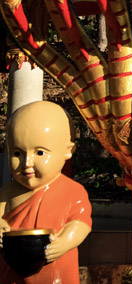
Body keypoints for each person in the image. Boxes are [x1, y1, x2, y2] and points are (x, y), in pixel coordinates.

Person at [0, 101, 92, 284]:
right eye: (17, 154)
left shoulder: (73, 191)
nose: (27, 163)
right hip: (12, 268)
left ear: (68, 151)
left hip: (54, 268)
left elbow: (81, 224)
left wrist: (64, 242)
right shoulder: (8, 191)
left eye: (40, 153)